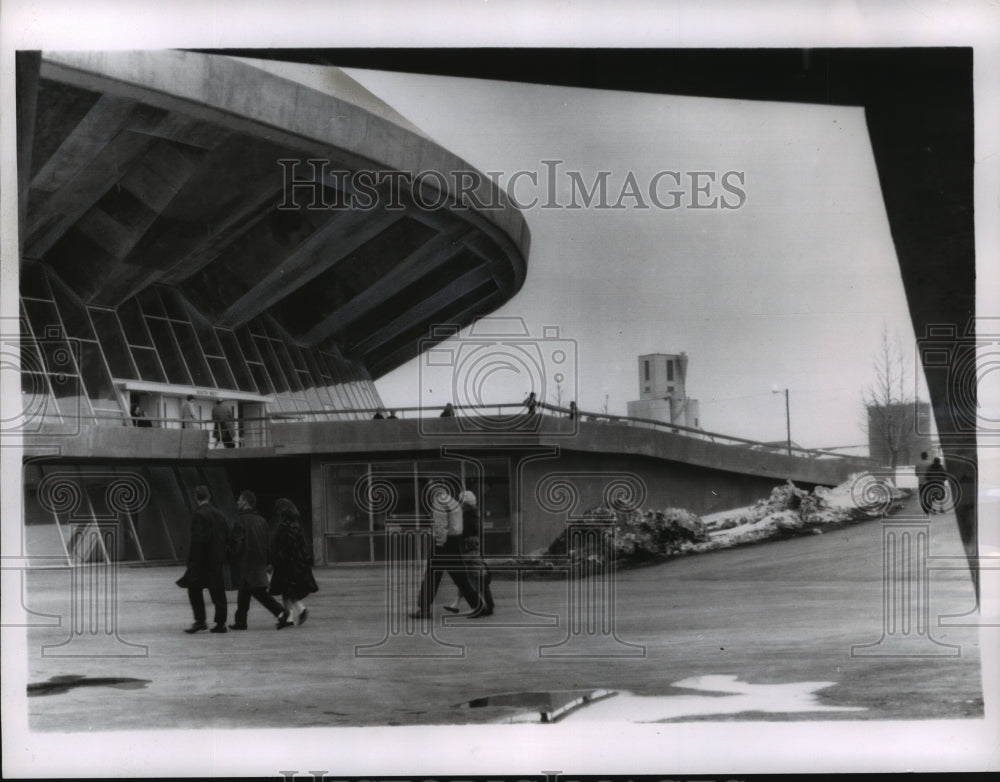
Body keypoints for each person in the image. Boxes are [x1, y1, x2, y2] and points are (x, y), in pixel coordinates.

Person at [410, 483, 483, 619]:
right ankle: (478, 605)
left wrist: (438, 544)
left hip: (443, 544)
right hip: (454, 542)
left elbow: (440, 526)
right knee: (460, 577)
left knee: (431, 577)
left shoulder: (439, 503)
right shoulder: (454, 502)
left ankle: (424, 609)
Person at [227, 490, 288, 630]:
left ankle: (281, 612)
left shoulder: (240, 520)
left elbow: (237, 543)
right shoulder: (262, 520)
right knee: (246, 591)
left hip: (247, 562)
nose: (237, 502)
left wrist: (231, 555)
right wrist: (268, 561)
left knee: (257, 592)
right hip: (259, 562)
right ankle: (240, 621)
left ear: (246, 502)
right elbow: (268, 543)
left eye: (240, 500)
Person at [177, 485, 230, 633]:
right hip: (216, 559)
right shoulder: (220, 514)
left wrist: (192, 562)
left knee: (194, 589)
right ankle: (221, 623)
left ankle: (200, 620)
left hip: (201, 561)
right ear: (209, 496)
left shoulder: (198, 515)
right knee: (218, 590)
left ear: (196, 498)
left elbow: (197, 541)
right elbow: (226, 536)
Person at [269, 498, 318, 628]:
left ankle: (294, 615)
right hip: (296, 564)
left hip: (285, 564)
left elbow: (278, 546)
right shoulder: (297, 526)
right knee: (289, 591)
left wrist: (273, 562)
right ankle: (296, 613)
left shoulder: (283, 528)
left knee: (286, 591)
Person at [444, 490, 494, 617]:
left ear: (464, 503)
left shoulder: (467, 517)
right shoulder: (474, 515)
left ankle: (482, 607)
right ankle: (486, 605)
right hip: (473, 550)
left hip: (468, 550)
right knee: (474, 577)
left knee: (472, 578)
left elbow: (460, 532)